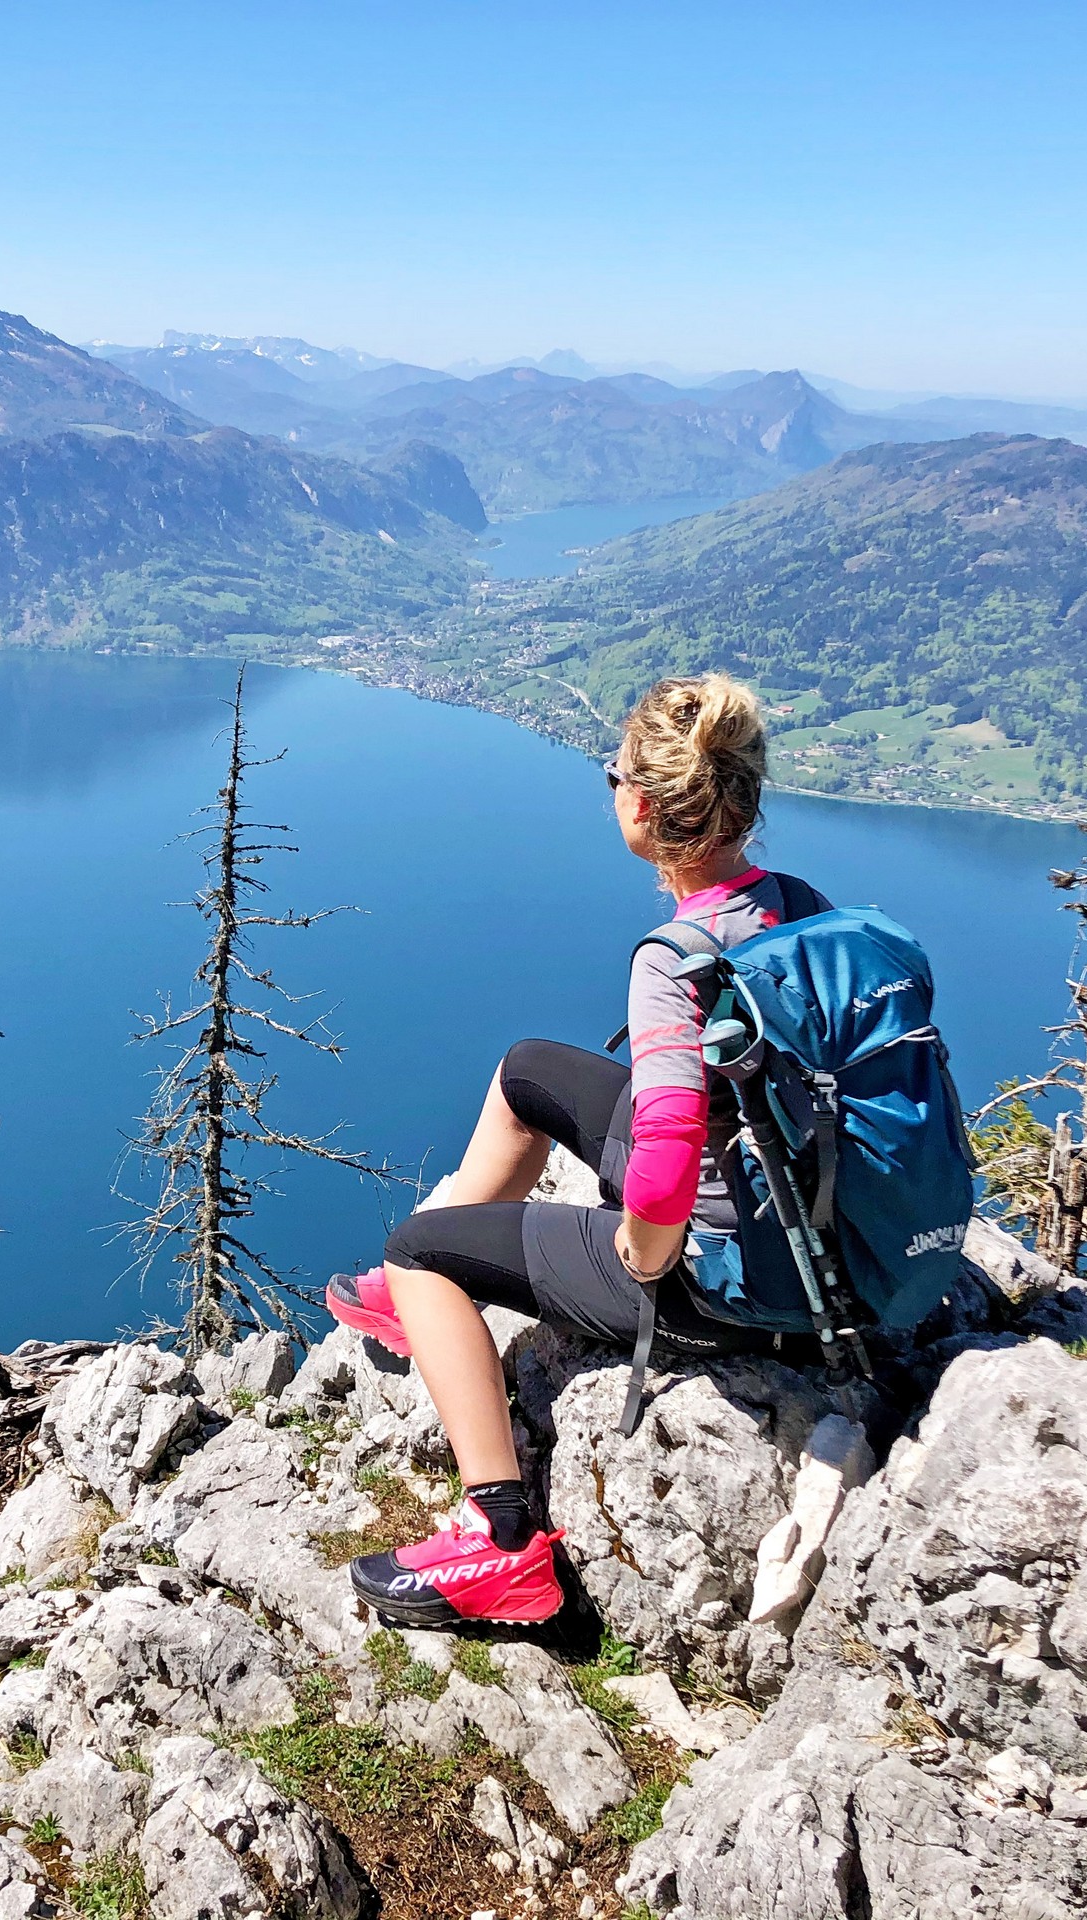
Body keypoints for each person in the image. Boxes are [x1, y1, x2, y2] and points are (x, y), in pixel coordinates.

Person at [325, 671, 829, 1630]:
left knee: (415, 1250)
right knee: (527, 1072)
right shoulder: (798, 902)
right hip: (803, 1227)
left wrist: (641, 1257)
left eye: (613, 777)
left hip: (727, 1285)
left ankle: (499, 1539)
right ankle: (439, 1303)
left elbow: (674, 1141)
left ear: (639, 806)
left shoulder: (673, 959)